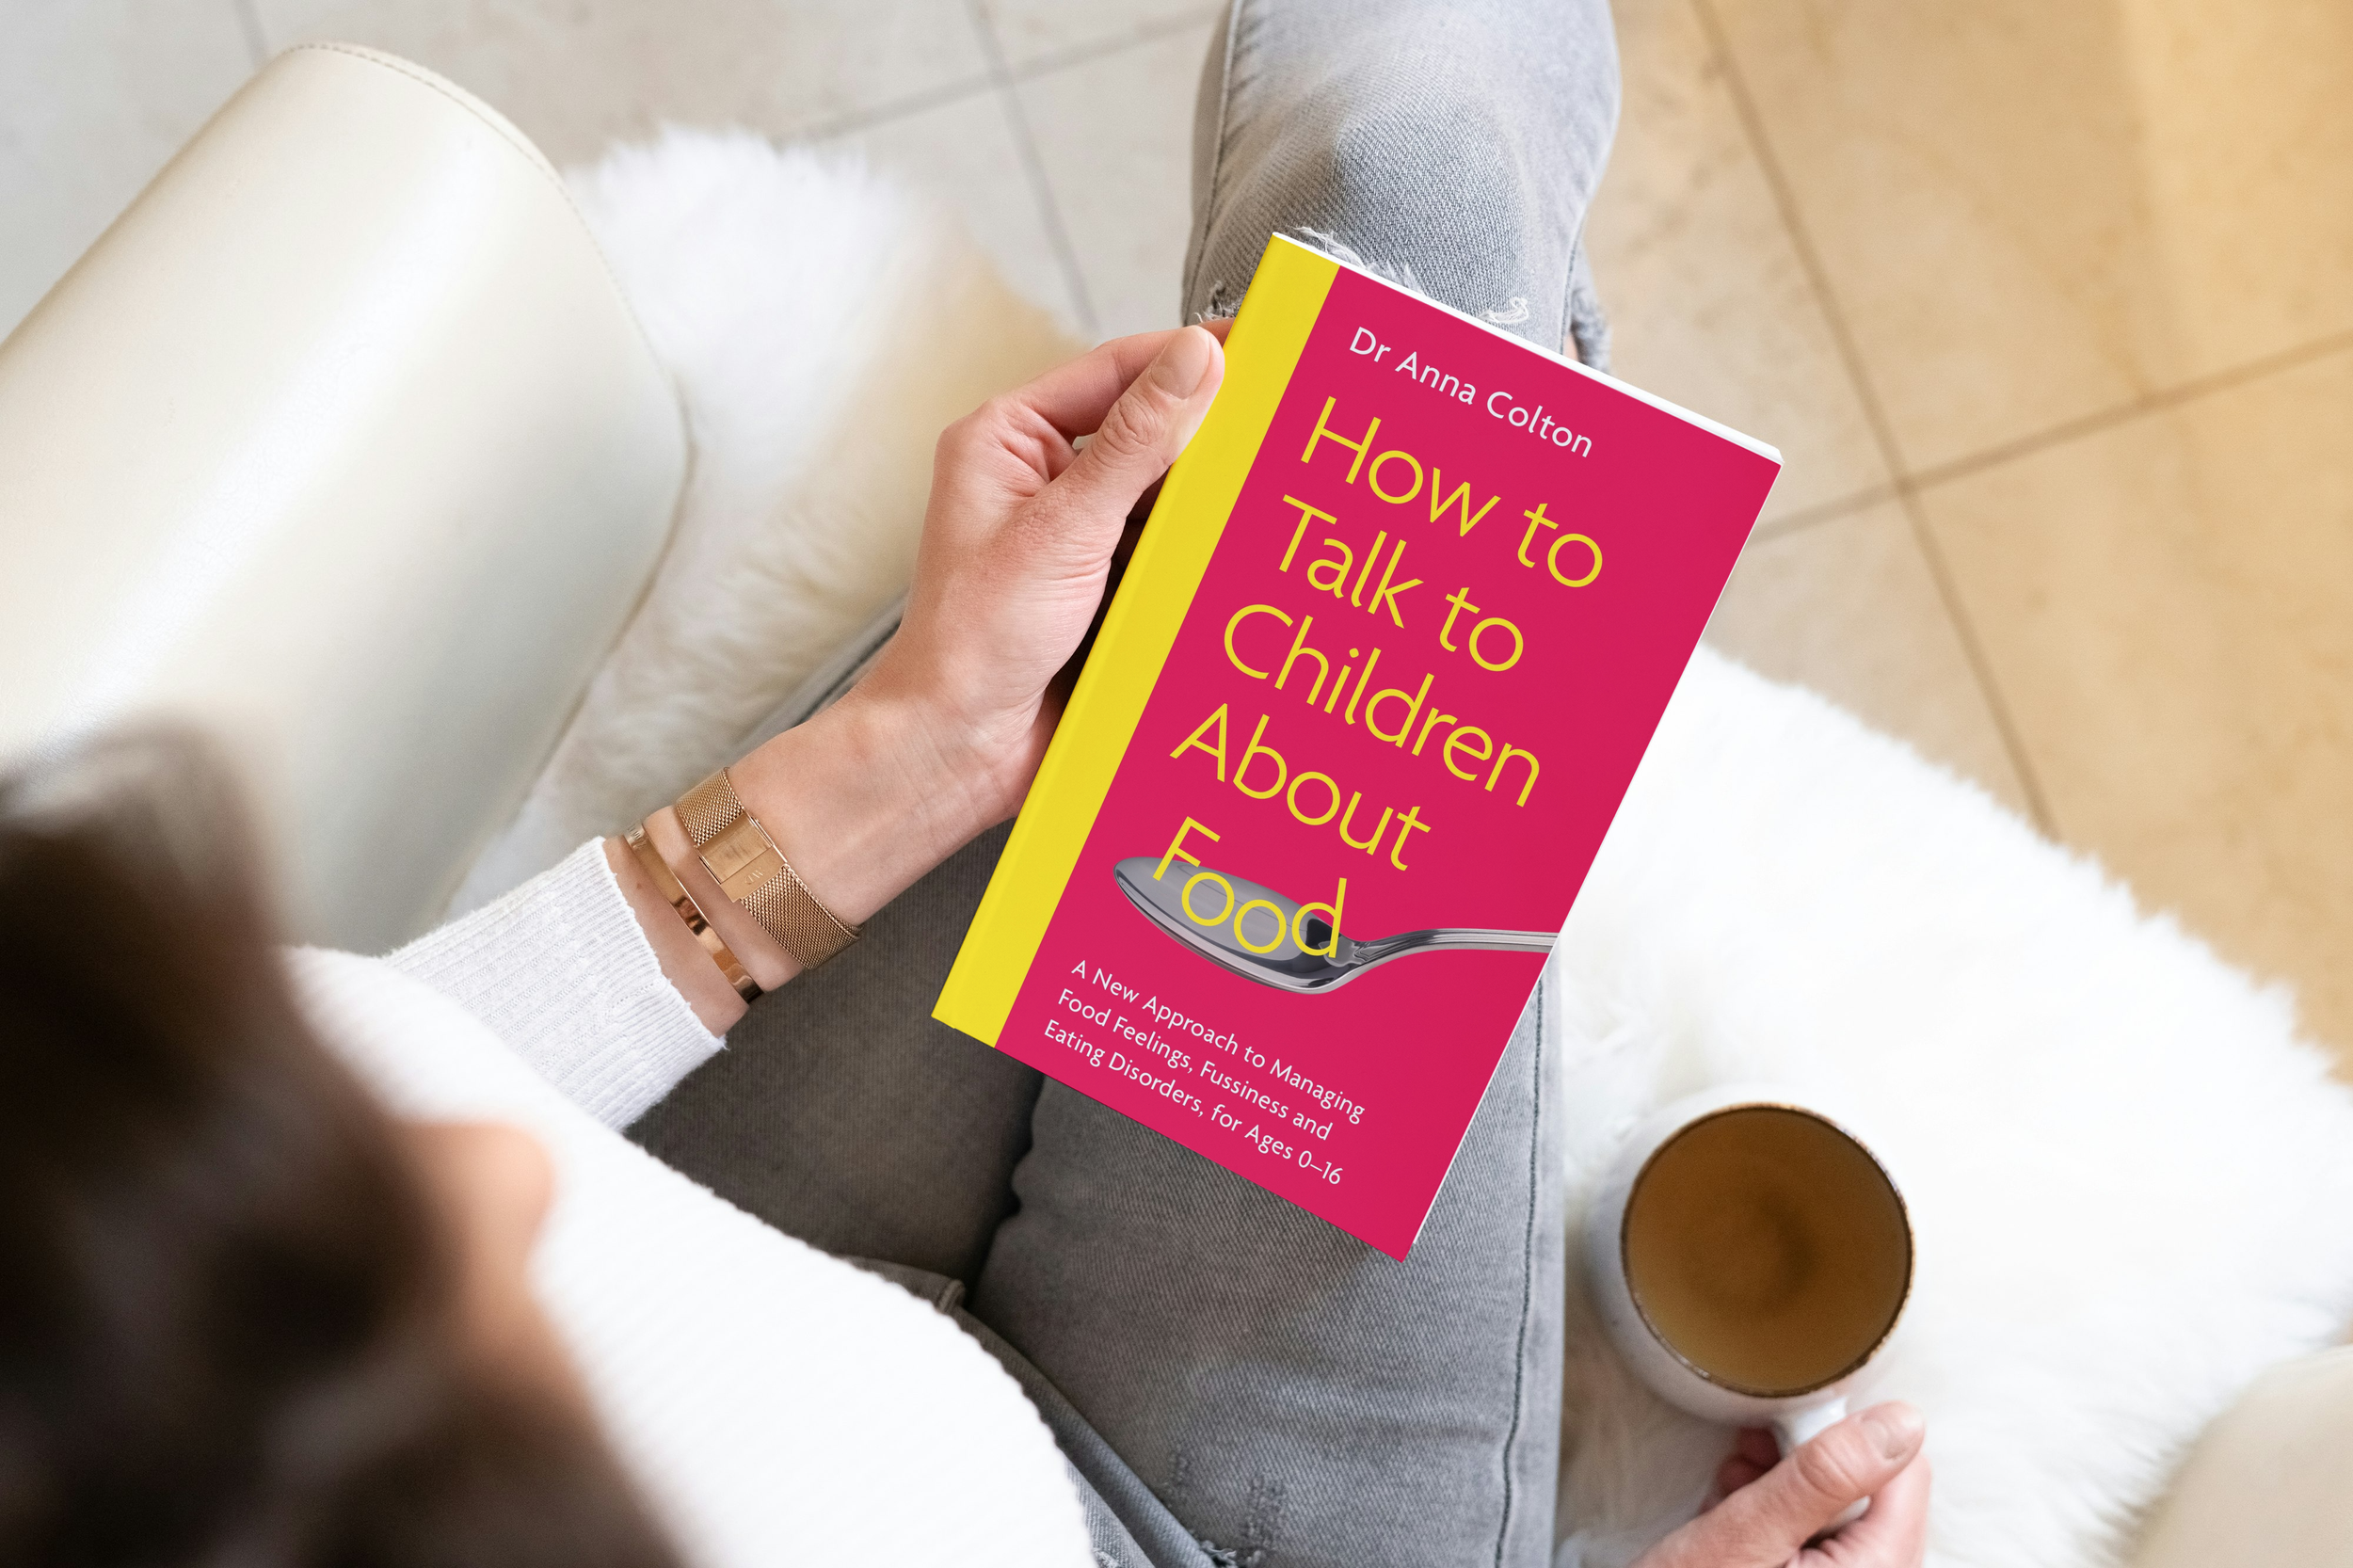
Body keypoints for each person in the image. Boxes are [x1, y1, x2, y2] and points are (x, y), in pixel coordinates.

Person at [0, 1, 1932, 1564]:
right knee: (1413, 268)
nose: (500, 1153)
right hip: (1205, 1527)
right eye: (363, 1291)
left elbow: (420, 1075)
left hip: (737, 1194)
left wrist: (890, 756)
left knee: (1383, 237)